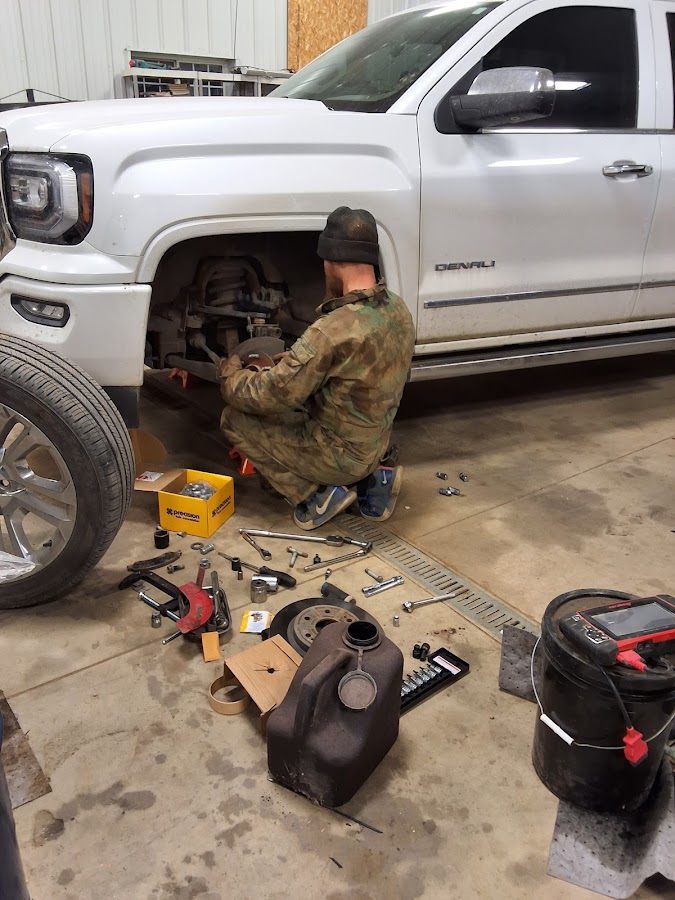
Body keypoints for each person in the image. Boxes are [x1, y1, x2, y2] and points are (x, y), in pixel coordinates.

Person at [218, 206, 415, 531]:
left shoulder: (331, 329)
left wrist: (230, 376)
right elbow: (357, 374)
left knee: (233, 419)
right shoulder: (398, 309)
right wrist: (300, 363)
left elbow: (271, 396)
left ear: (331, 260)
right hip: (376, 444)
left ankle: (316, 496)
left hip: (339, 458)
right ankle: (374, 483)